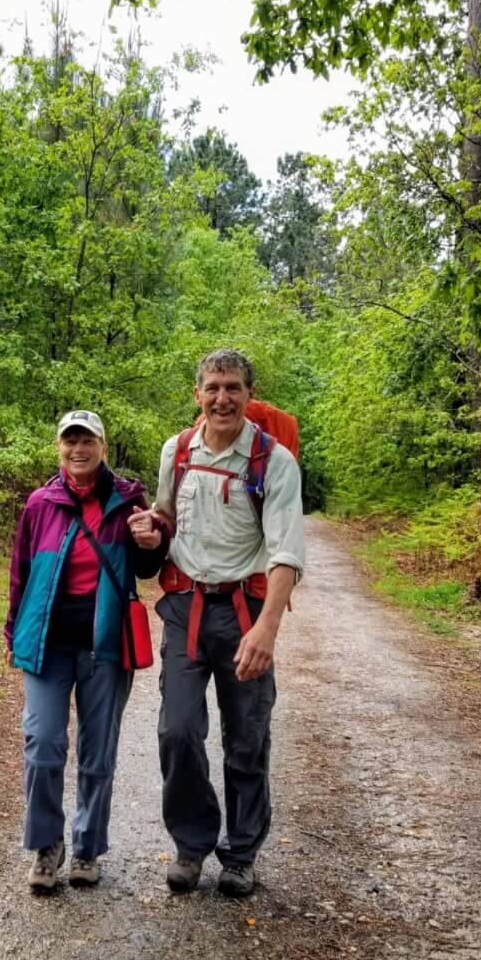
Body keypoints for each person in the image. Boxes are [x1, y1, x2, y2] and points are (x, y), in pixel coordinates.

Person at [135, 349, 306, 897]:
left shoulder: (274, 461)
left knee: (247, 738)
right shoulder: (177, 450)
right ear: (198, 395)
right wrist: (151, 529)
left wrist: (267, 629)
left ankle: (241, 854)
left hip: (244, 613)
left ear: (249, 395)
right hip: (185, 608)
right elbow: (166, 514)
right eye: (212, 387)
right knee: (177, 731)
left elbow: (286, 553)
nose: (222, 398)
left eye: (233, 388)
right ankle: (191, 845)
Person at [5, 409, 168, 892]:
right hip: (48, 644)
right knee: (42, 744)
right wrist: (14, 632)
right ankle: (46, 846)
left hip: (106, 644)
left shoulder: (127, 500)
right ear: (59, 447)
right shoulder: (40, 503)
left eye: (87, 440)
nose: (78, 449)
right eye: (70, 441)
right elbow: (21, 571)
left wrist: (153, 540)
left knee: (98, 752)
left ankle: (87, 848)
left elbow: (147, 567)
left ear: (103, 446)